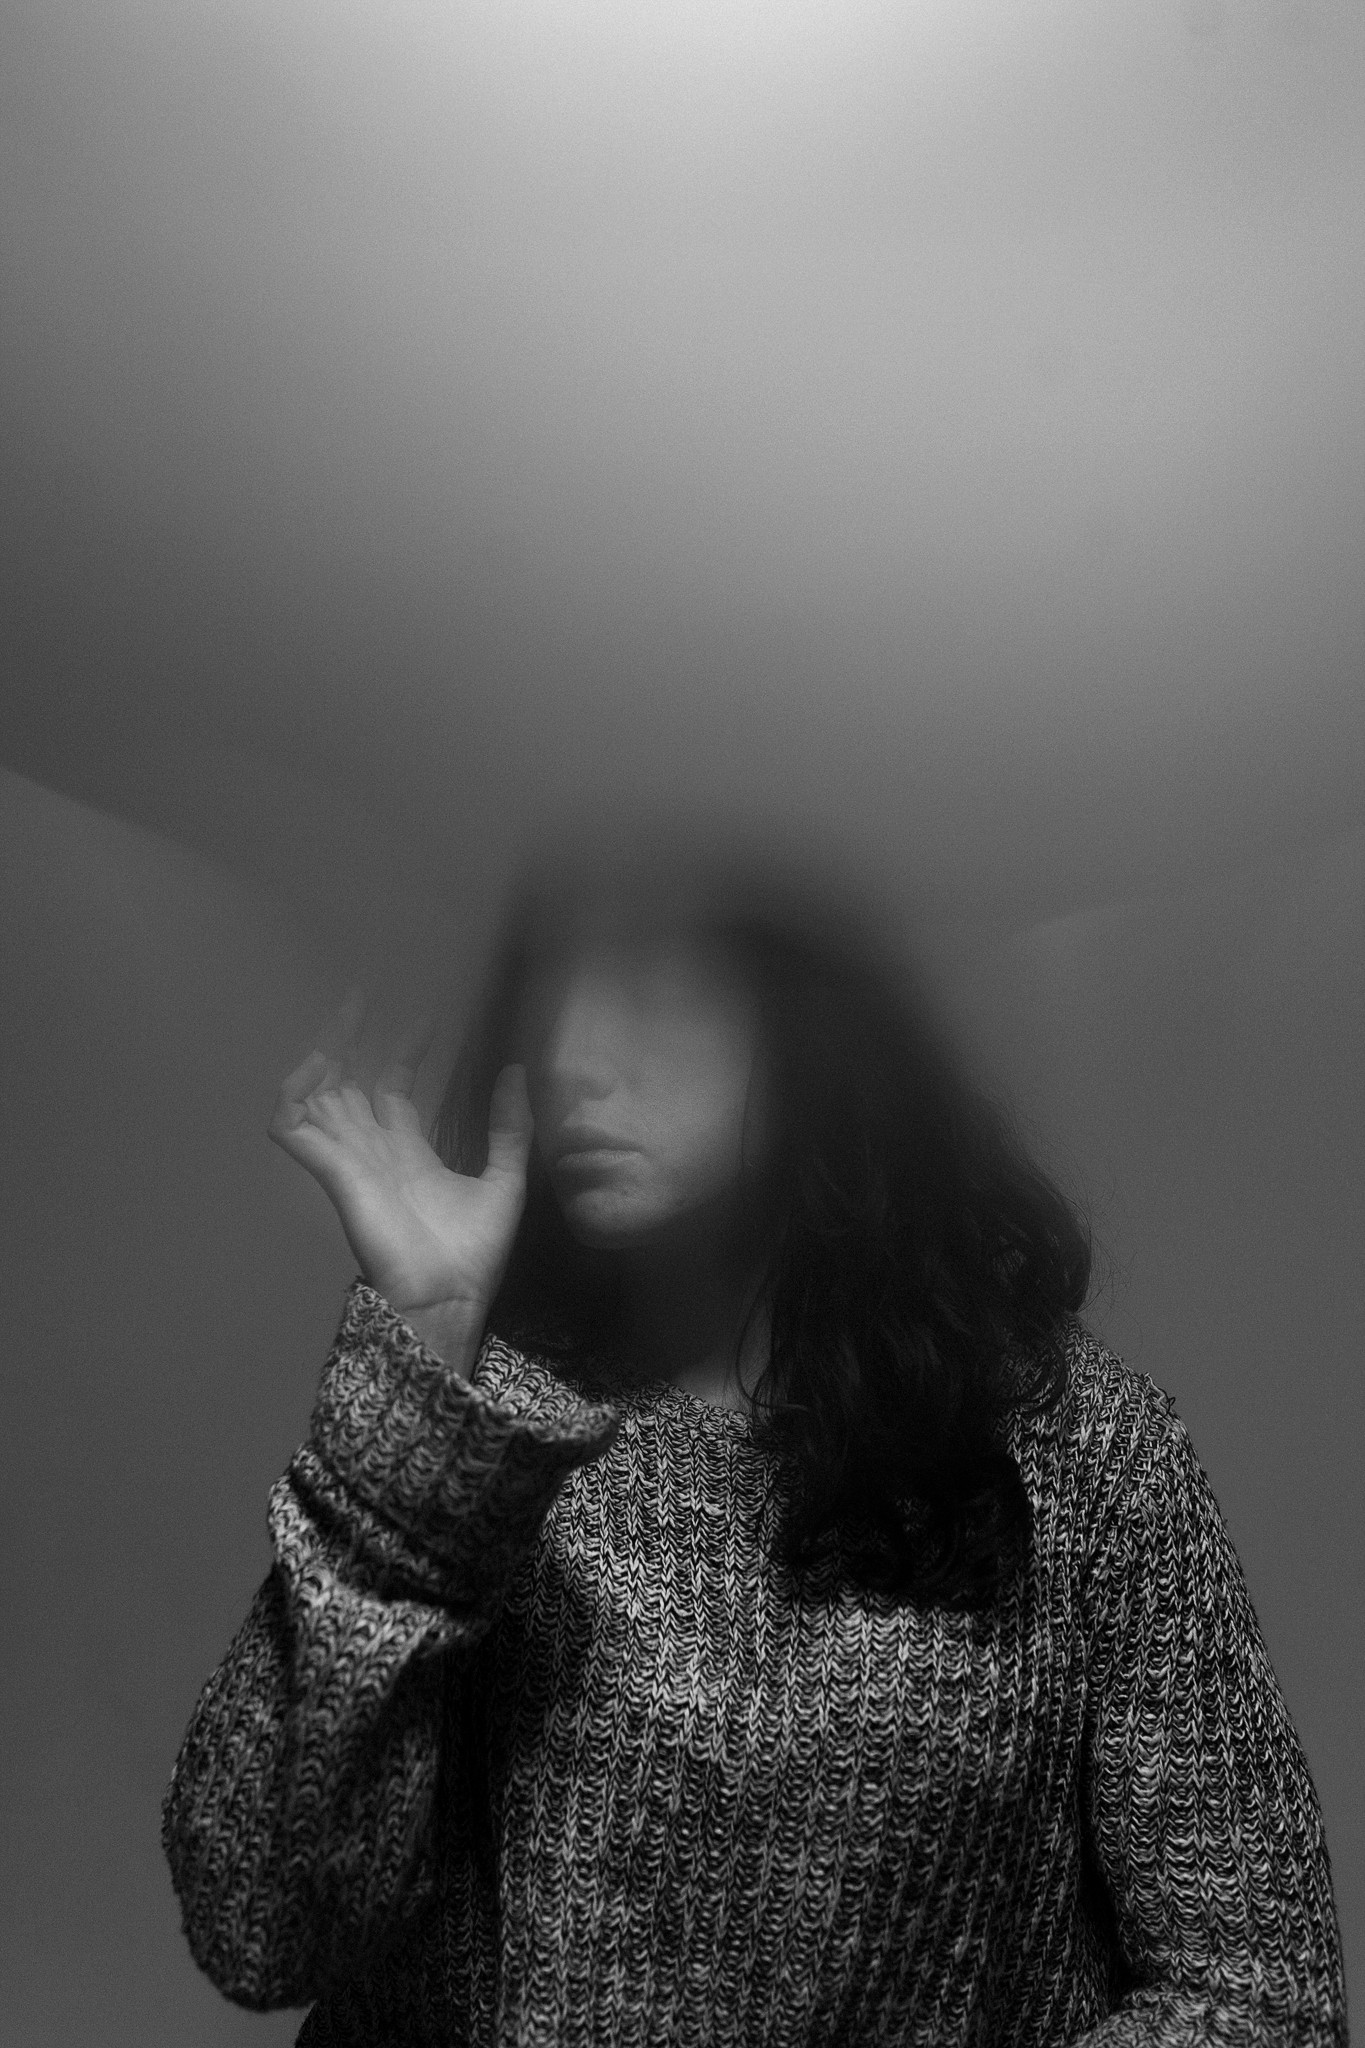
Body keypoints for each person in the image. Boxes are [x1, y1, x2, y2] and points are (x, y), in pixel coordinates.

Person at [161, 815, 1349, 2047]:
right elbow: (260, 1923)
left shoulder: (1079, 1446)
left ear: (816, 1025)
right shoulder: (477, 1412)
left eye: (655, 994)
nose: (572, 1057)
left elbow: (1257, 1996)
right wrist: (425, 1347)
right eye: (554, 990)